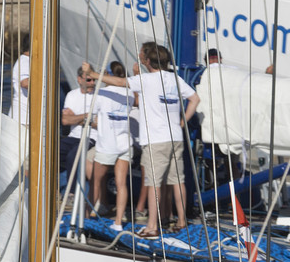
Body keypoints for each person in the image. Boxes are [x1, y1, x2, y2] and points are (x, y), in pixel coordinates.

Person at [86, 43, 198, 238]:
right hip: (176, 138)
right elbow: (195, 98)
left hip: (156, 140)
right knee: (178, 181)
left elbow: (120, 83)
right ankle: (181, 222)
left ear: (148, 61)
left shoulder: (146, 80)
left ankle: (152, 227)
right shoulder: (174, 78)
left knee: (154, 183)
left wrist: (94, 75)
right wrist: (182, 122)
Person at [89, 61, 135, 225]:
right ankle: (118, 222)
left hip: (107, 145)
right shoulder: (129, 94)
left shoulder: (101, 93)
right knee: (121, 183)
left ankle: (88, 216)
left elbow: (91, 117)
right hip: (124, 144)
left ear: (108, 74)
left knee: (96, 181)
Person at [60, 65, 98, 198]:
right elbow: (65, 121)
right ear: (79, 79)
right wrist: (86, 116)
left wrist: (74, 117)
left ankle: (71, 193)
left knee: (73, 155)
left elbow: (98, 123)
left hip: (91, 137)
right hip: (73, 136)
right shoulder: (72, 95)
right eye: (89, 80)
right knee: (50, 151)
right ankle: (49, 187)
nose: (92, 83)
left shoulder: (99, 96)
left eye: (94, 80)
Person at [10, 52, 30, 126]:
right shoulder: (25, 61)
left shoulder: (26, 60)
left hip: (24, 118)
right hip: (23, 119)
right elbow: (25, 83)